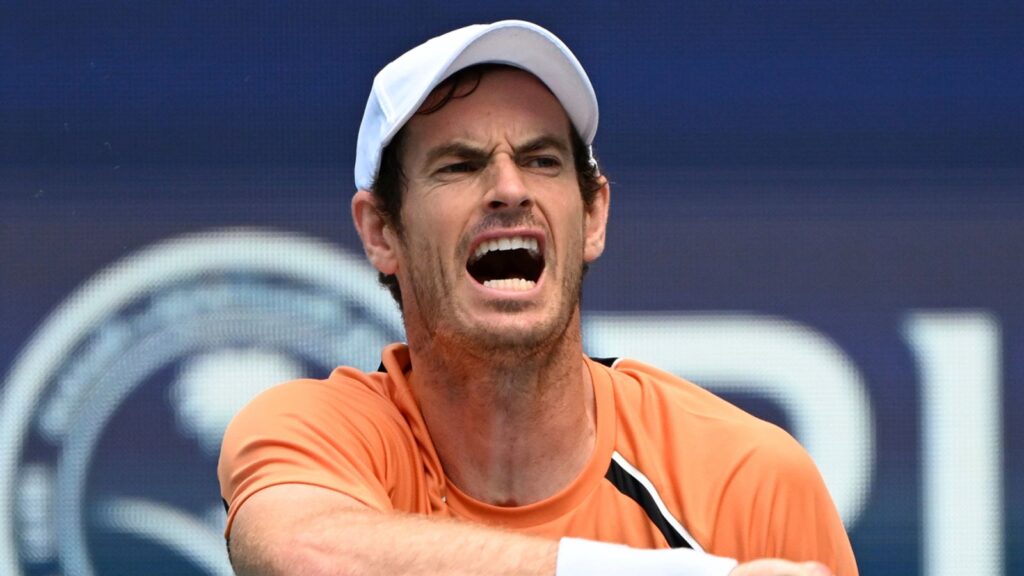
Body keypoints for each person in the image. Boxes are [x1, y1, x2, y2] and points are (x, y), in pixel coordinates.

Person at [218, 20, 858, 576]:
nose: (508, 188)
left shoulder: (748, 480)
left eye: (542, 160)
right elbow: (306, 556)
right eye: (460, 165)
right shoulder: (317, 432)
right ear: (382, 232)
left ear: (594, 215)